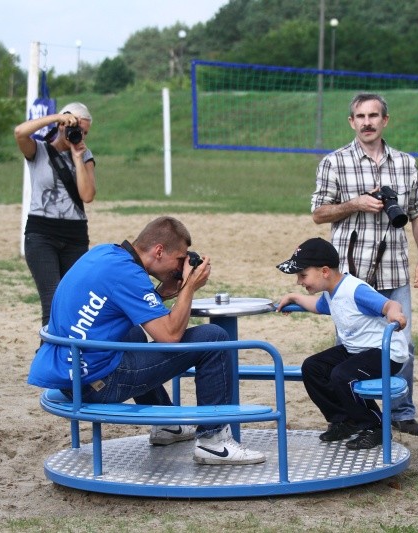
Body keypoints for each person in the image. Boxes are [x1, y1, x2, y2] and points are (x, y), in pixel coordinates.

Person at [27, 216, 266, 465]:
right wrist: (189, 288)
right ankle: (213, 442)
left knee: (134, 333)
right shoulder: (128, 275)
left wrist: (163, 293)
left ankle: (167, 426)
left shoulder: (107, 254)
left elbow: (128, 303)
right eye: (180, 259)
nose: (180, 267)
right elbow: (170, 336)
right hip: (97, 384)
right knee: (214, 338)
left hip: (73, 374)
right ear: (159, 251)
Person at [311, 93, 418, 436]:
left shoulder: (406, 163)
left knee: (401, 343)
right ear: (351, 122)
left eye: (374, 116)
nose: (367, 122)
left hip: (394, 268)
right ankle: (355, 416)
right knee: (348, 346)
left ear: (385, 120)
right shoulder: (334, 162)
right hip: (350, 274)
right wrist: (356, 203)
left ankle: (402, 411)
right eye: (360, 116)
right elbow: (319, 213)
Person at [275, 237, 408, 450]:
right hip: (357, 350)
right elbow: (317, 306)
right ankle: (345, 420)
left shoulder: (354, 290)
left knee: (343, 375)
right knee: (312, 367)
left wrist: (395, 315)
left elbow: (390, 304)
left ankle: (376, 426)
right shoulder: (330, 293)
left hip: (385, 353)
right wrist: (294, 297)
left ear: (325, 271)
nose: (300, 281)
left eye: (303, 275)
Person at [14, 102, 97, 328]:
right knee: (52, 302)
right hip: (41, 234)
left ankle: (69, 359)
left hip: (75, 236)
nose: (79, 135)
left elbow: (87, 195)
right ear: (62, 125)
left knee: (72, 303)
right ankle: (48, 360)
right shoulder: (38, 150)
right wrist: (56, 117)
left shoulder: (85, 155)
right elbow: (20, 132)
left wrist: (78, 158)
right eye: (76, 128)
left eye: (84, 132)